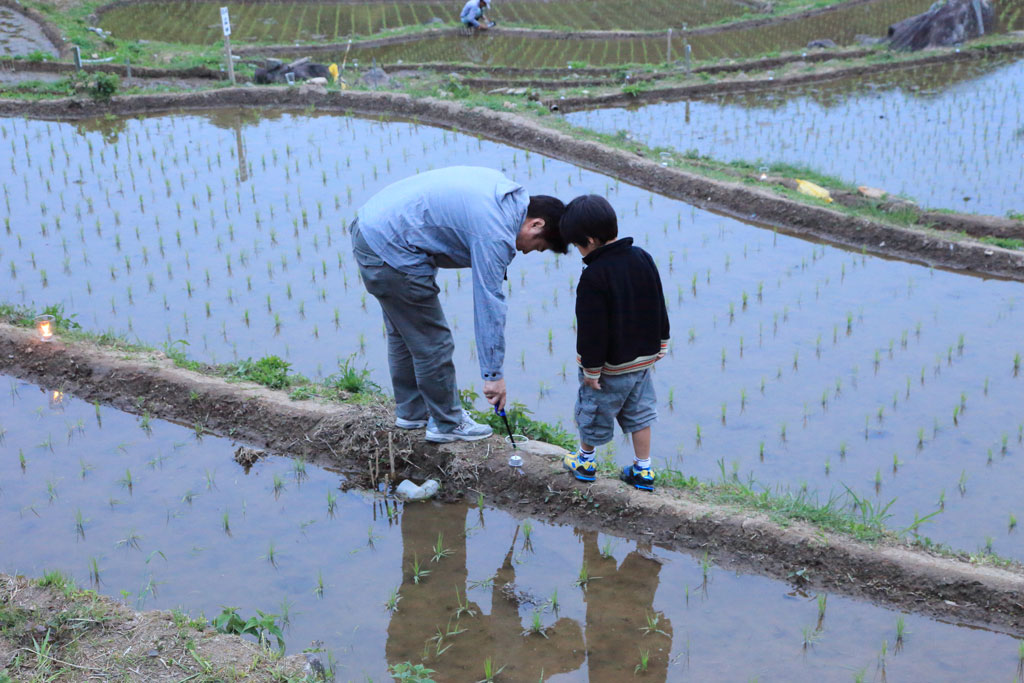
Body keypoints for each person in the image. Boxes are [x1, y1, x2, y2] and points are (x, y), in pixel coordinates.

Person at [351, 166, 566, 443]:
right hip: (391, 247)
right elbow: (489, 303)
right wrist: (493, 375)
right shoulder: (496, 231)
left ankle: (412, 412)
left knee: (405, 334)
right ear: (536, 224)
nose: (526, 251)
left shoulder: (505, 194)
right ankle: (447, 423)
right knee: (434, 341)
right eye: (537, 245)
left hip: (372, 231)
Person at [559, 194, 669, 490]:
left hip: (609, 369)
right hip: (642, 361)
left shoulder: (594, 276)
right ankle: (643, 469)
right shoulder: (643, 257)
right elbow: (657, 300)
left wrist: (592, 370)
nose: (580, 252)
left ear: (591, 240)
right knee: (640, 413)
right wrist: (662, 341)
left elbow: (592, 330)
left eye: (579, 244)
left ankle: (585, 461)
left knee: (592, 412)